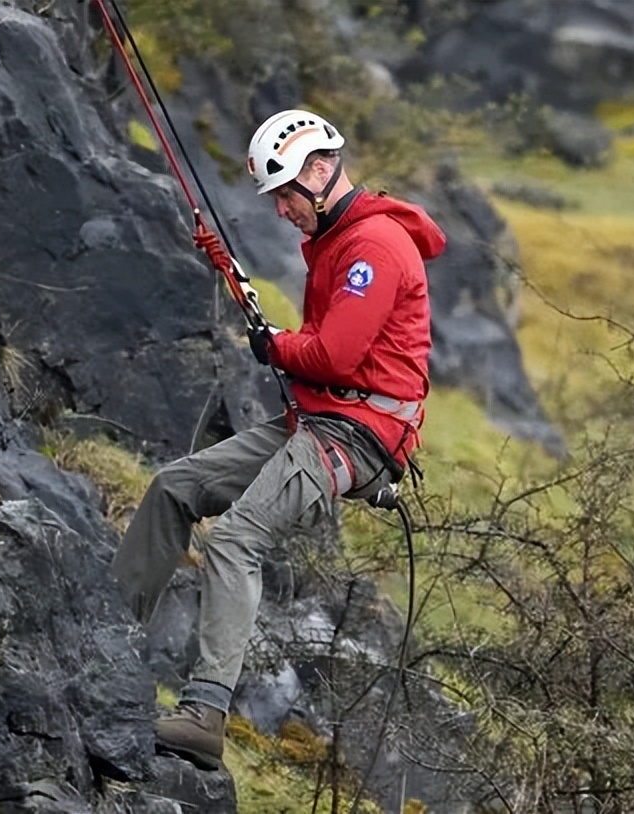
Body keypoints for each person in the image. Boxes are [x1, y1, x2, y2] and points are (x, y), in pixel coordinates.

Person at [110, 109, 447, 770]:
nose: (282, 209)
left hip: (359, 435)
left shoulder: (374, 246)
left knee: (237, 538)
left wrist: (278, 346)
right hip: (321, 421)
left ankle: (204, 716)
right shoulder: (339, 237)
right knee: (175, 487)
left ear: (321, 172)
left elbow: (338, 355)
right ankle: (107, 645)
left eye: (288, 193)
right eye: (277, 198)